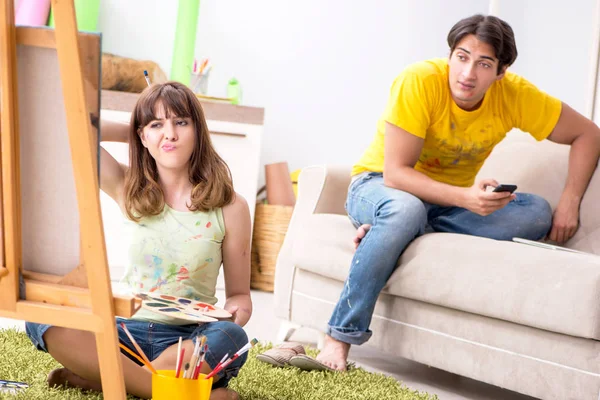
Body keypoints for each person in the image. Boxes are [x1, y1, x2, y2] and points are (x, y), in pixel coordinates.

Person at [316, 14, 600, 371]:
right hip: (379, 187)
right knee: (404, 209)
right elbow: (396, 174)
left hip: (443, 205)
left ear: (501, 72)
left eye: (483, 64)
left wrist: (570, 203)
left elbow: (588, 133)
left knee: (536, 211)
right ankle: (339, 338)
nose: (468, 74)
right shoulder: (418, 80)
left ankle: (395, 233)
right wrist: (466, 198)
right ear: (450, 55)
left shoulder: (515, 96)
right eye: (462, 57)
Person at [25, 82, 253, 400]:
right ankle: (163, 391)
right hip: (123, 334)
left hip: (187, 341)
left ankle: (107, 380)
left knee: (232, 336)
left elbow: (240, 296)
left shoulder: (231, 206)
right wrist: (134, 129)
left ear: (198, 131)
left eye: (181, 122)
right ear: (143, 137)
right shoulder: (127, 186)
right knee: (41, 315)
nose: (169, 134)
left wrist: (233, 315)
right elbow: (72, 131)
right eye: (157, 125)